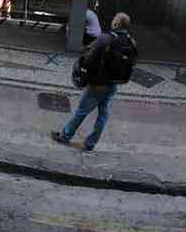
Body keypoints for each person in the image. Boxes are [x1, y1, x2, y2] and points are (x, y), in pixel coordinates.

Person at [52, 13, 137, 152]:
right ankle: (90, 143)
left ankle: (65, 136)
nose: (112, 21)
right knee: (103, 116)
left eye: (114, 19)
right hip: (113, 84)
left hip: (98, 84)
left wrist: (83, 72)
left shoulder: (105, 38)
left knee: (81, 111)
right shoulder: (131, 42)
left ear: (116, 24)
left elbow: (88, 59)